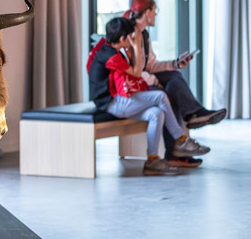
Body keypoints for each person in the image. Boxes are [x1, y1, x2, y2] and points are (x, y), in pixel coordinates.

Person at [87, 16, 206, 176]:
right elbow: (136, 72)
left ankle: (152, 160)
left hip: (118, 101)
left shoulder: (111, 50)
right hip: (111, 104)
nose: (132, 39)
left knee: (157, 113)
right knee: (160, 96)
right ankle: (181, 139)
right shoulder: (111, 56)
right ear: (123, 38)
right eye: (130, 37)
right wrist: (136, 46)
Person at [125, 0, 227, 132]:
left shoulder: (144, 35)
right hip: (130, 84)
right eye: (155, 10)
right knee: (167, 94)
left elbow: (150, 66)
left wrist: (175, 63)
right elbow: (132, 72)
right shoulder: (129, 36)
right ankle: (179, 142)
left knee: (174, 76)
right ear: (147, 12)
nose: (156, 14)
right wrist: (155, 81)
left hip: (143, 77)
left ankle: (194, 115)